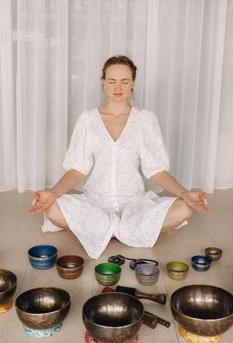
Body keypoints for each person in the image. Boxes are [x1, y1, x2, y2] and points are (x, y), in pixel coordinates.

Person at [28, 55, 208, 259]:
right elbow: (77, 169)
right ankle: (126, 231)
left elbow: (157, 170)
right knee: (52, 208)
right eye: (112, 81)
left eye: (125, 81)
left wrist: (184, 193)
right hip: (96, 202)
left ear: (133, 83)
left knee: (184, 209)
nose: (118, 87)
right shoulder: (87, 120)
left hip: (135, 203)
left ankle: (103, 231)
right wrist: (53, 192)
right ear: (103, 82)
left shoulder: (145, 121)